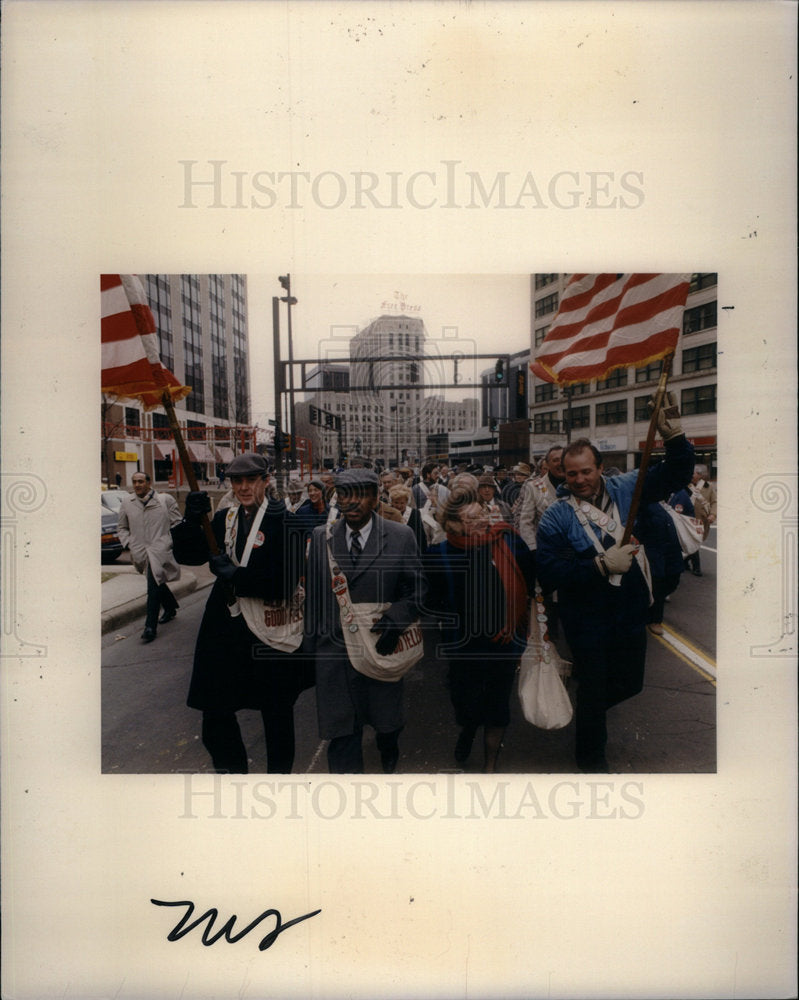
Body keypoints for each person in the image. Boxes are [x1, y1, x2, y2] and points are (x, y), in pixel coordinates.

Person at [536, 394, 694, 772]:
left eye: (585, 471)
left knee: (629, 683)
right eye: (571, 474)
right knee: (594, 690)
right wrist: (599, 565)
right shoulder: (556, 517)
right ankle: (592, 762)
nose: (578, 480)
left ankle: (590, 705)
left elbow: (675, 475)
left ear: (599, 468)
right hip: (586, 615)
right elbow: (551, 573)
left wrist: (675, 440)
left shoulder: (627, 488)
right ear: (563, 475)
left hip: (629, 609)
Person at [174, 452, 310, 774]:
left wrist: (237, 576)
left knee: (276, 715)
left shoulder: (287, 522)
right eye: (237, 481)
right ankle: (234, 774)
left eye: (251, 480)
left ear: (266, 481)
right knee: (215, 709)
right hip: (227, 630)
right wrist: (192, 519)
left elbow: (285, 583)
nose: (244, 487)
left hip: (269, 631)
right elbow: (189, 555)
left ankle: (279, 781)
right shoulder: (225, 520)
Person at [304, 468, 427, 774]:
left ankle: (388, 748)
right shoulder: (323, 538)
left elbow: (419, 589)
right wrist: (309, 653)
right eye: (346, 494)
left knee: (387, 726)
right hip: (336, 656)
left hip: (381, 648)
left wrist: (397, 619)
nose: (353, 502)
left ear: (375, 498)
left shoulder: (400, 536)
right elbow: (315, 598)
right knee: (342, 738)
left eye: (362, 494)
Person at [427, 487, 534, 772]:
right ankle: (468, 729)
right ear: (453, 524)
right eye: (471, 519)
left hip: (503, 642)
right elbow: (431, 602)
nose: (482, 522)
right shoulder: (439, 555)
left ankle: (490, 766)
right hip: (463, 648)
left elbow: (531, 586)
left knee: (498, 706)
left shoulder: (509, 542)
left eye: (481, 514)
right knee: (466, 705)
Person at [117, 471, 182, 643]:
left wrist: (168, 541)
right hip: (139, 551)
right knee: (157, 580)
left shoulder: (164, 500)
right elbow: (122, 527)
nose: (137, 485)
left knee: (152, 586)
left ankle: (150, 627)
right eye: (134, 481)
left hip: (160, 549)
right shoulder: (126, 502)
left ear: (148, 482)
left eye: (140, 481)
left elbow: (177, 523)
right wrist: (129, 543)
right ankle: (170, 607)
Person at [636, 499, 688, 636]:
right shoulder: (645, 503)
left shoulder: (669, 499)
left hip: (672, 551)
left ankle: (650, 610)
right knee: (657, 585)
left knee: (673, 581)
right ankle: (655, 620)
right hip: (654, 551)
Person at [517, 445, 565, 549]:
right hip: (545, 549)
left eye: (563, 459)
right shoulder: (533, 487)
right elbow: (526, 522)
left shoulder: (576, 483)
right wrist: (533, 548)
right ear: (547, 464)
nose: (560, 463)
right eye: (556, 460)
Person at [686, 465, 716, 576]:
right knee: (694, 541)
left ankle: (684, 561)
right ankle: (696, 567)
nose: (690, 475)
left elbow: (714, 502)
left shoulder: (708, 487)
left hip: (703, 520)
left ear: (699, 475)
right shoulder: (685, 486)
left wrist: (713, 514)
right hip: (688, 520)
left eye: (692, 473)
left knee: (697, 541)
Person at [388, 484, 426, 552]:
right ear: (392, 502)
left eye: (402, 503)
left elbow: (421, 536)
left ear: (407, 502)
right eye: (396, 502)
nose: (399, 506)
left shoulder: (414, 513)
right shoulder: (388, 513)